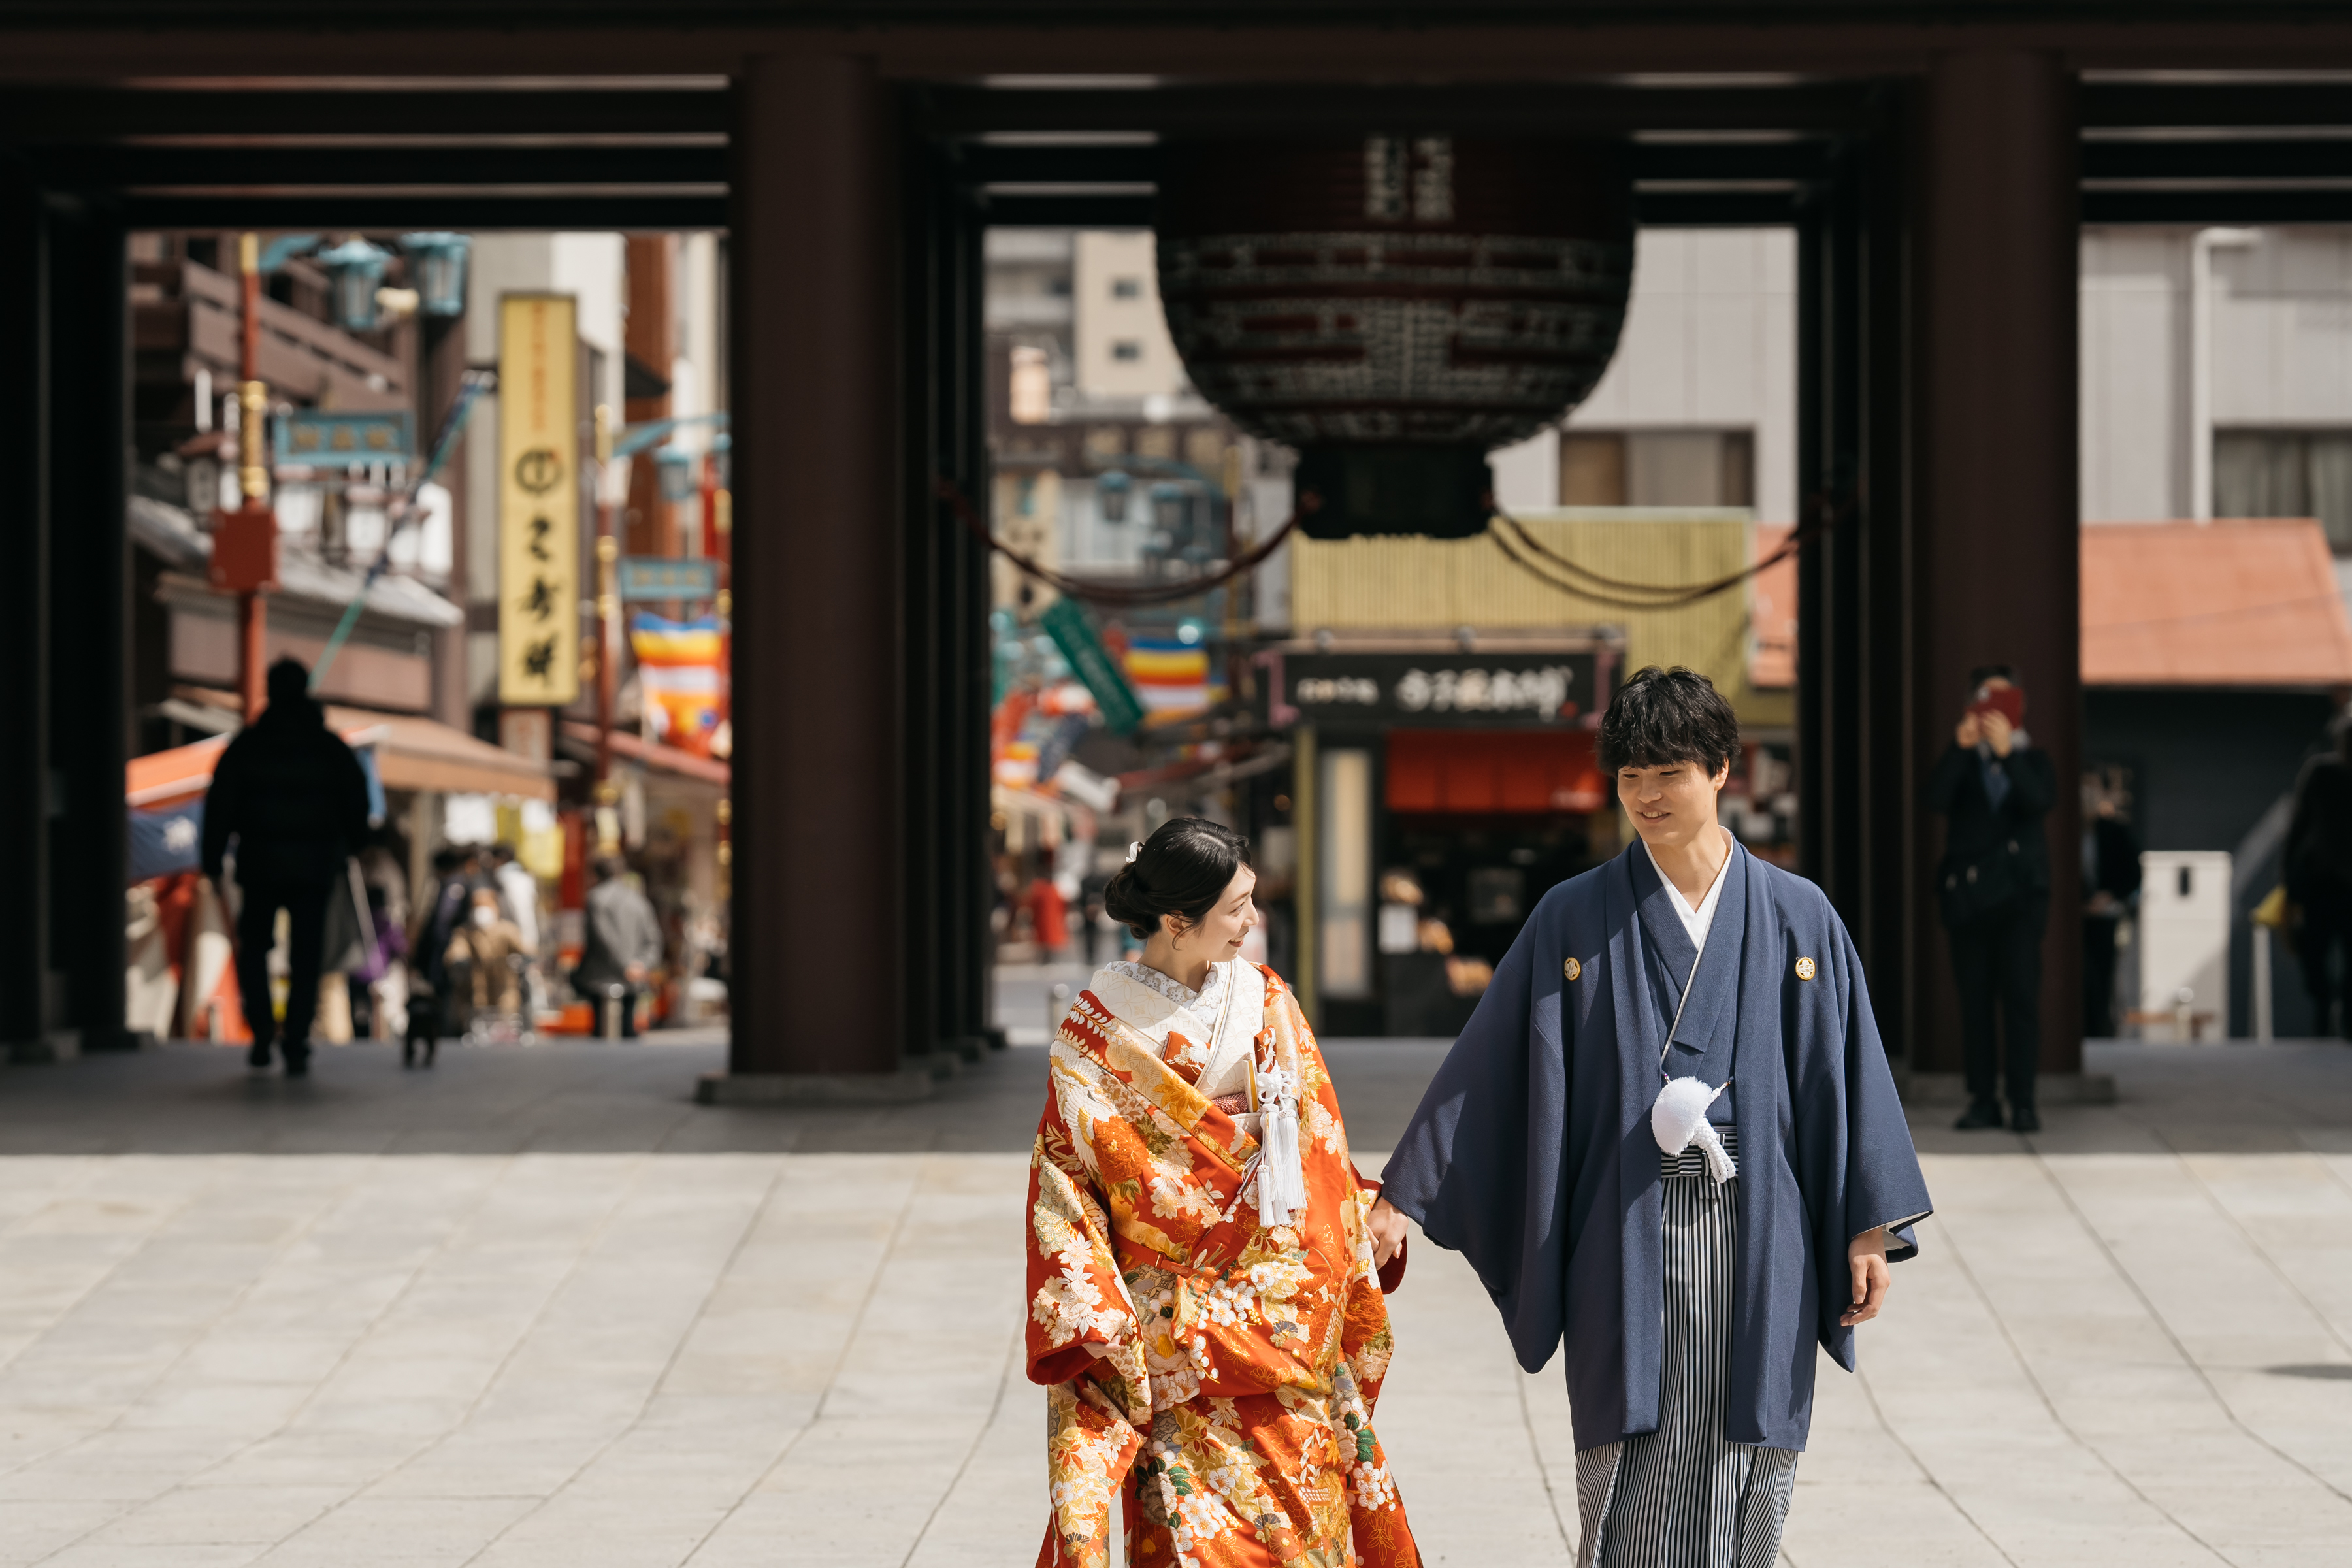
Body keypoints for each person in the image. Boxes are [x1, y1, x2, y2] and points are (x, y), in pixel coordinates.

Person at [1373, 666, 1929, 1568]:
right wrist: (1406, 1192)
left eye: (1667, 772)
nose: (1646, 795)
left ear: (1720, 771)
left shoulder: (1798, 917)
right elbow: (1492, 1064)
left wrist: (1867, 1229)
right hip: (1624, 1227)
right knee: (1629, 1455)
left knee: (1754, 1455)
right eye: (1630, 776)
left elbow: (1842, 1077)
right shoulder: (1574, 917)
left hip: (1765, 1229)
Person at [1024, 817, 1419, 1568]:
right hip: (1178, 1344)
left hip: (1289, 1320)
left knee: (1309, 1529)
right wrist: (1101, 1321)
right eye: (1237, 908)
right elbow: (1065, 1191)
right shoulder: (1094, 1040)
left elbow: (1318, 1142)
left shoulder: (1267, 1000)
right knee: (1195, 1542)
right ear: (1177, 922)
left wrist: (1359, 1209)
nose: (1254, 921)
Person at [200, 657, 371, 1078]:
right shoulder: (329, 747)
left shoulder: (249, 745)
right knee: (306, 954)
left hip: (259, 863)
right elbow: (357, 802)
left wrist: (212, 855)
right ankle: (296, 1038)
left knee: (255, 948)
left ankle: (261, 1030)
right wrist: (353, 845)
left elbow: (221, 804)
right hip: (314, 865)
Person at [1925, 666, 2058, 1131]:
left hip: (2021, 901)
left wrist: (2009, 754)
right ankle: (1983, 1098)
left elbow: (2041, 801)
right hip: (1970, 900)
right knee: (1975, 1003)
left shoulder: (2034, 759)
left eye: (2006, 703)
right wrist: (1962, 749)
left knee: (2021, 999)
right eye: (1987, 703)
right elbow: (1935, 798)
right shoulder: (1963, 760)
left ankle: (2023, 1100)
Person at [2284, 721, 2352, 1037]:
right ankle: (2325, 1006)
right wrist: (2288, 879)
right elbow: (2299, 825)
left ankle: (2345, 1015)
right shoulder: (2322, 773)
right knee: (2313, 953)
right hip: (2321, 880)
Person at [574, 855, 662, 1037]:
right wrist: (641, 965)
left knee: (602, 1033)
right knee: (628, 1030)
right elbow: (654, 939)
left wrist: (626, 965)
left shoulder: (596, 898)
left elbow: (603, 938)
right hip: (633, 979)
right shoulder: (639, 902)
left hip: (602, 978)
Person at [2082, 779, 2142, 1040]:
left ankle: (2100, 1029)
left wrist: (2109, 897)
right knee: (2081, 974)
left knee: (2103, 973)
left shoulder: (2114, 832)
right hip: (2076, 916)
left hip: (2106, 914)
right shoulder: (2062, 833)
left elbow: (2132, 874)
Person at [445, 887, 532, 1023]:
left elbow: (526, 948)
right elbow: (456, 949)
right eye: (477, 906)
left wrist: (526, 958)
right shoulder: (465, 932)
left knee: (506, 1022)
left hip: (504, 990)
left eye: (485, 905)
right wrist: (459, 960)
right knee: (479, 1022)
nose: (481, 910)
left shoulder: (506, 930)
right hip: (477, 993)